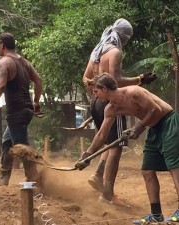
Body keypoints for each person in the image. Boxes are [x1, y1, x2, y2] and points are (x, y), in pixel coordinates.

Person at [77, 73, 179, 224]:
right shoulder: (110, 109)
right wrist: (87, 155)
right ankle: (156, 214)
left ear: (105, 89)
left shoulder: (133, 92)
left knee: (174, 167)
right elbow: (101, 135)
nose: (95, 95)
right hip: (153, 128)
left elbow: (155, 110)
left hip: (168, 122)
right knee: (147, 170)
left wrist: (138, 127)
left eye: (96, 92)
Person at [82, 18, 157, 203]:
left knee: (107, 138)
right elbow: (115, 84)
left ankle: (98, 175)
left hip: (96, 101)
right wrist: (139, 79)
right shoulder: (114, 52)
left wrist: (95, 95)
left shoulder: (96, 52)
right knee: (115, 146)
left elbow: (86, 79)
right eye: (127, 39)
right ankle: (107, 192)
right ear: (123, 36)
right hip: (108, 101)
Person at [0, 32, 42, 186]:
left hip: (16, 111)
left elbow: (1, 84)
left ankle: (34, 180)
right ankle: (3, 178)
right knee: (7, 142)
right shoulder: (24, 62)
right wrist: (36, 102)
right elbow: (38, 81)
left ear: (2, 45)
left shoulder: (4, 62)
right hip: (27, 110)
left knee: (21, 148)